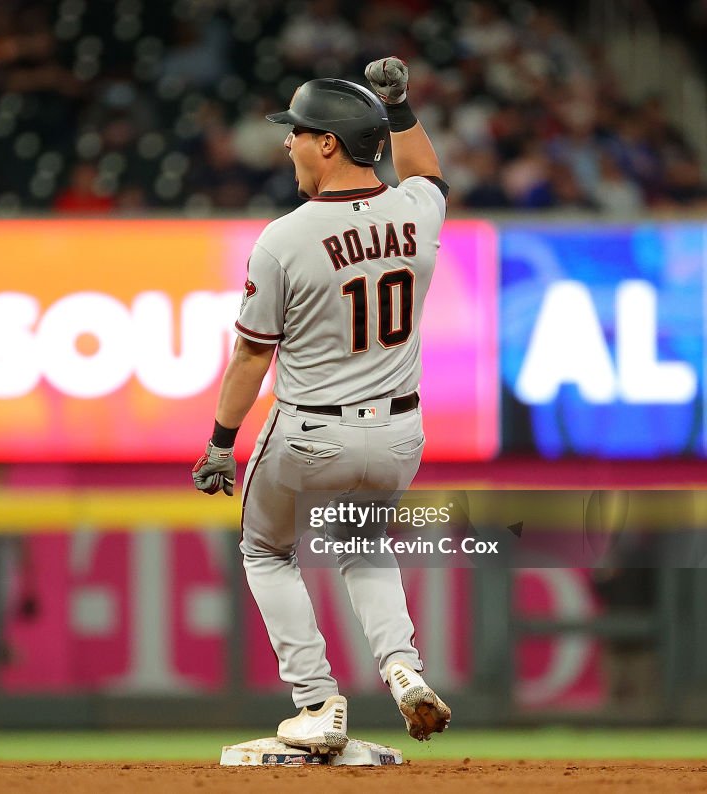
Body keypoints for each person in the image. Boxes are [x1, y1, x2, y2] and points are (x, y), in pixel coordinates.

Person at [192, 57, 451, 752]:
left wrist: (220, 442)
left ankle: (315, 701)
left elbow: (251, 356)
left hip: (313, 434)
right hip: (400, 434)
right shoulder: (416, 213)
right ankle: (403, 671)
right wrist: (400, 105)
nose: (288, 143)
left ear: (328, 144)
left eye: (298, 131)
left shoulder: (285, 238)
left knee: (264, 550)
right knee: (364, 548)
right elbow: (427, 173)